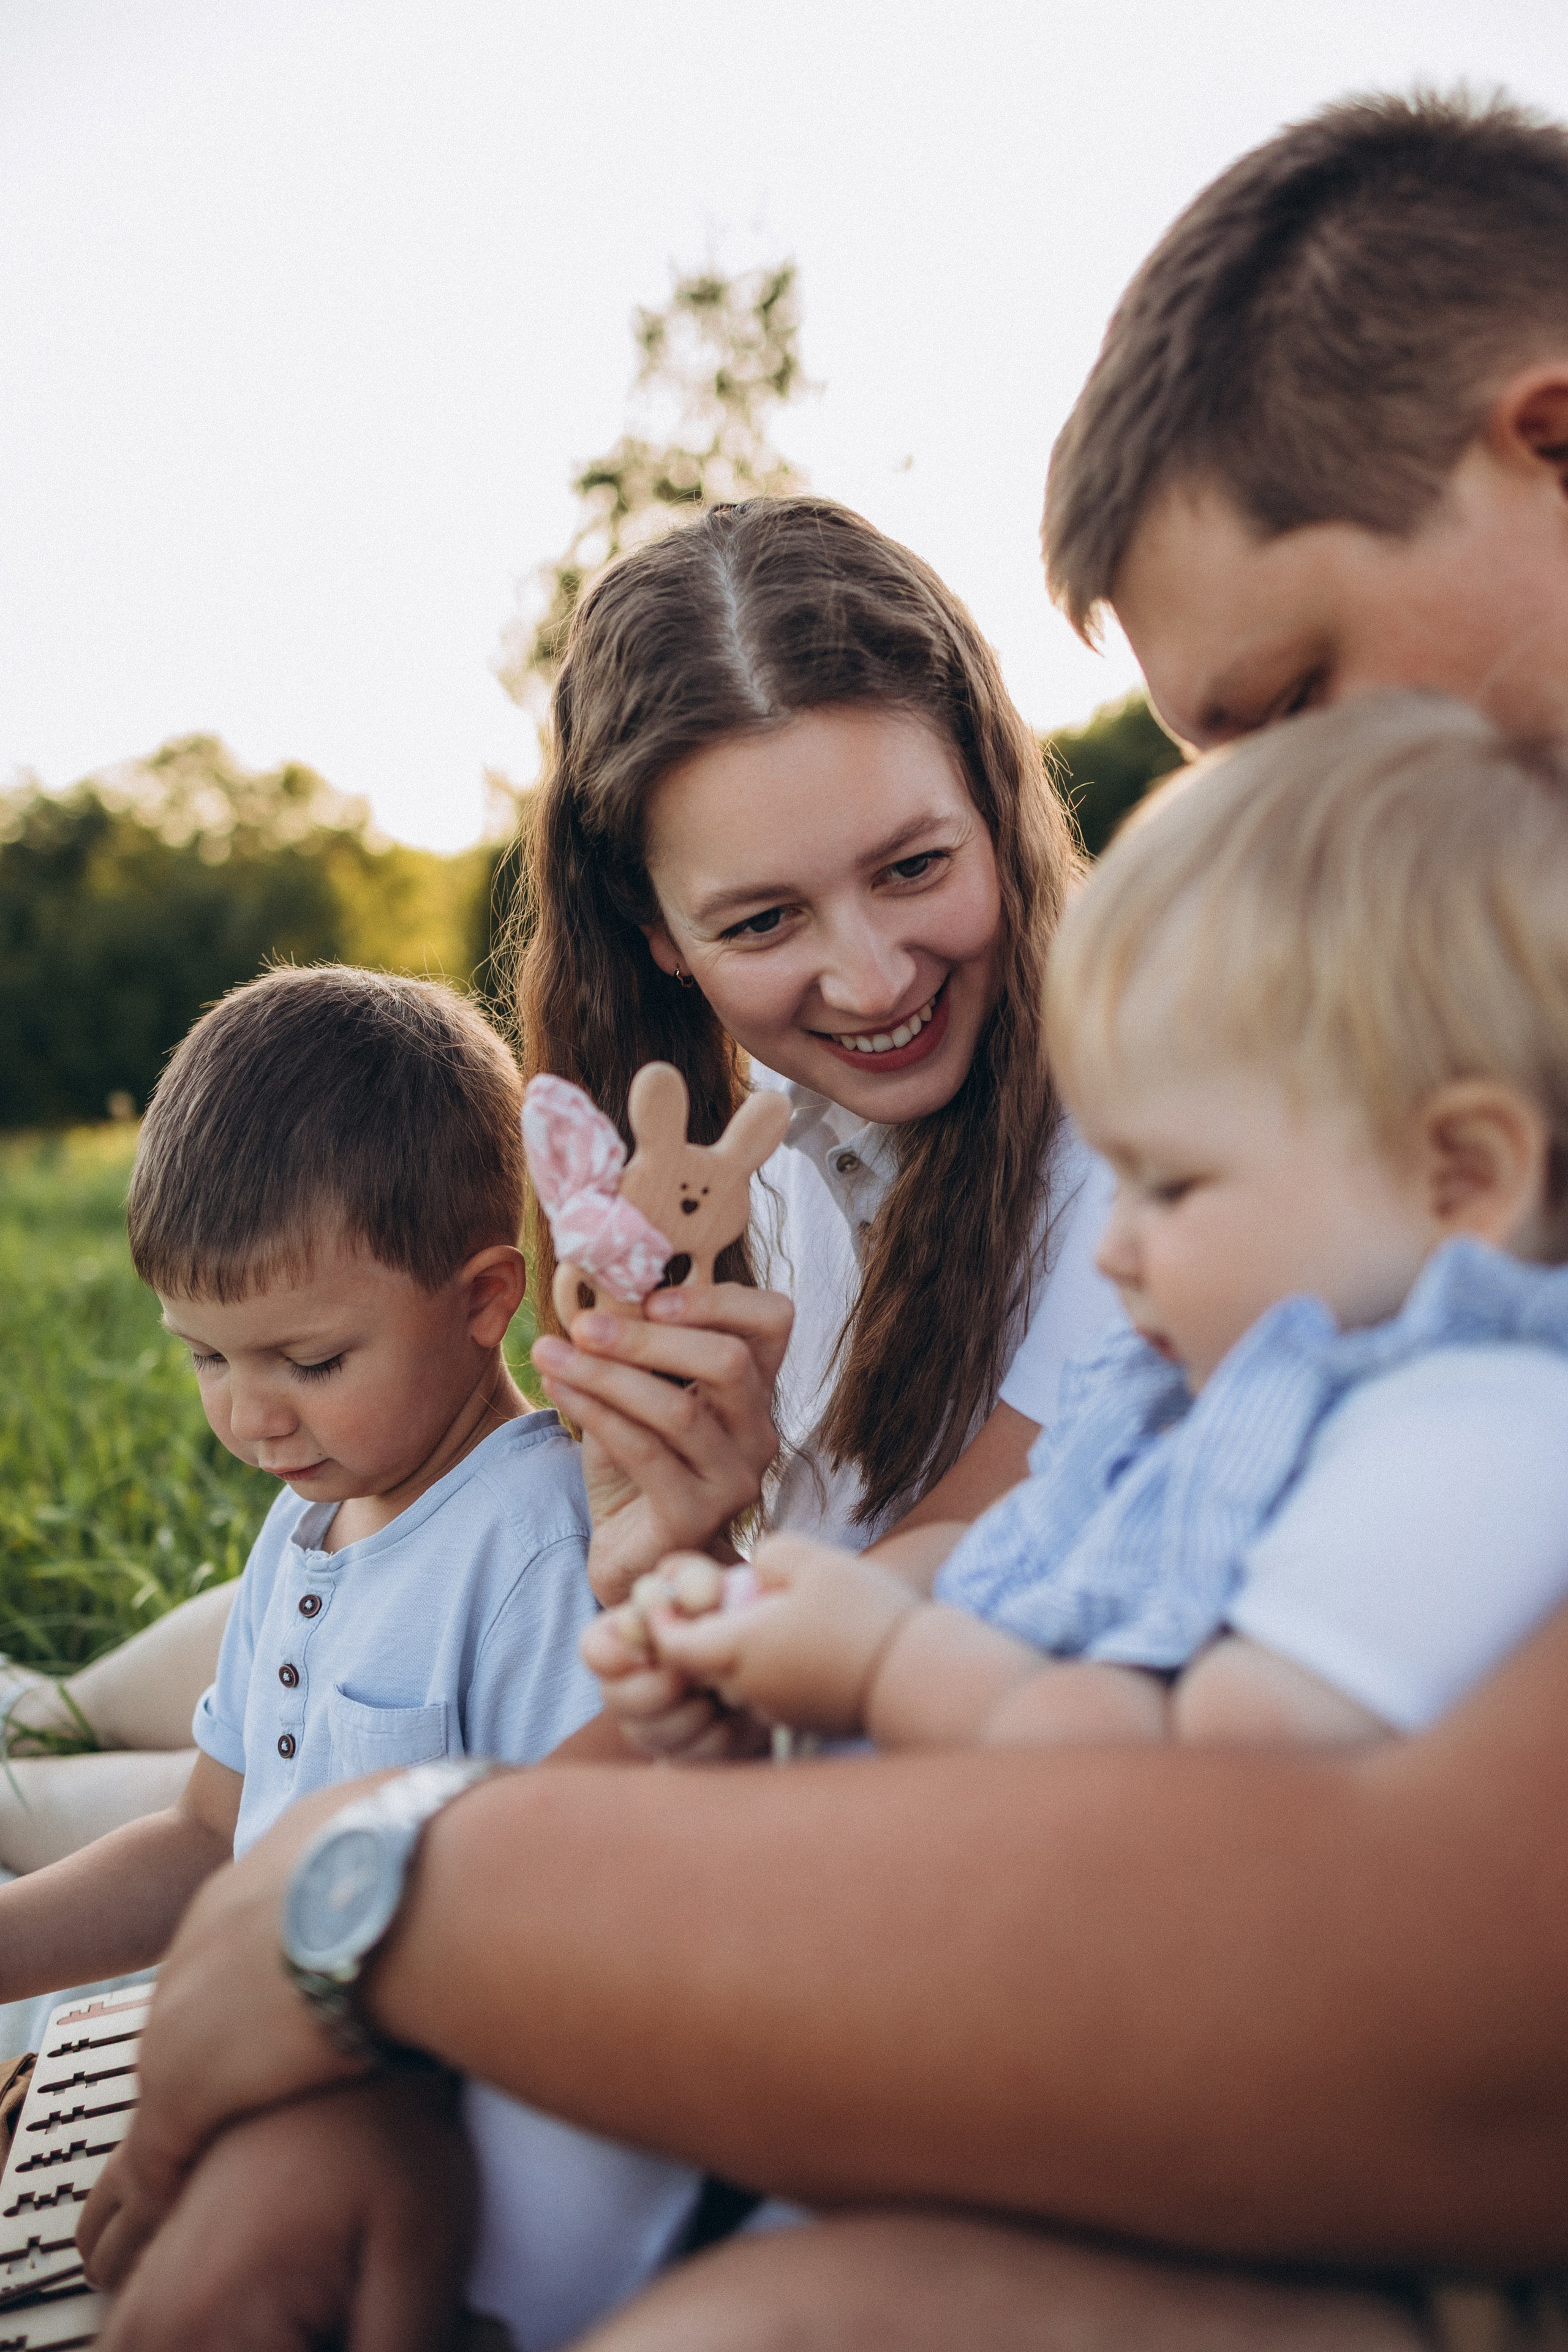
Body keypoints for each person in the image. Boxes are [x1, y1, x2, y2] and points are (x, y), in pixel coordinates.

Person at [59, 86, 1568, 2352]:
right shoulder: (782, 1170)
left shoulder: (1275, 1155)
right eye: (763, 917)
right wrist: (664, 1581)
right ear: (660, 940)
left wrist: (374, 1908)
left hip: (1116, 1993)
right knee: (267, 1661)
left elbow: (1368, 1926)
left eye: (1290, 705)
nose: (1292, 820)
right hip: (916, 1881)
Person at [631, 695, 1568, 1762]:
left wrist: (882, 1663)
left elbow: (1200, 1772)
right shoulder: (1193, 1393)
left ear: (1465, 1178)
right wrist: (789, 1608)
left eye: (1169, 1188)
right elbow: (1021, 1548)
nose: (1112, 1247)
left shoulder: (1472, 1440)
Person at [0, 963, 597, 2024]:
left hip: (378, 2084)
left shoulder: (539, 1551)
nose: (249, 1418)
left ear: (484, 1300)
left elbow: (554, 1932)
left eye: (310, 1363)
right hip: (255, 1986)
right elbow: (207, 1839)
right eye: (206, 1359)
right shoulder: (310, 1518)